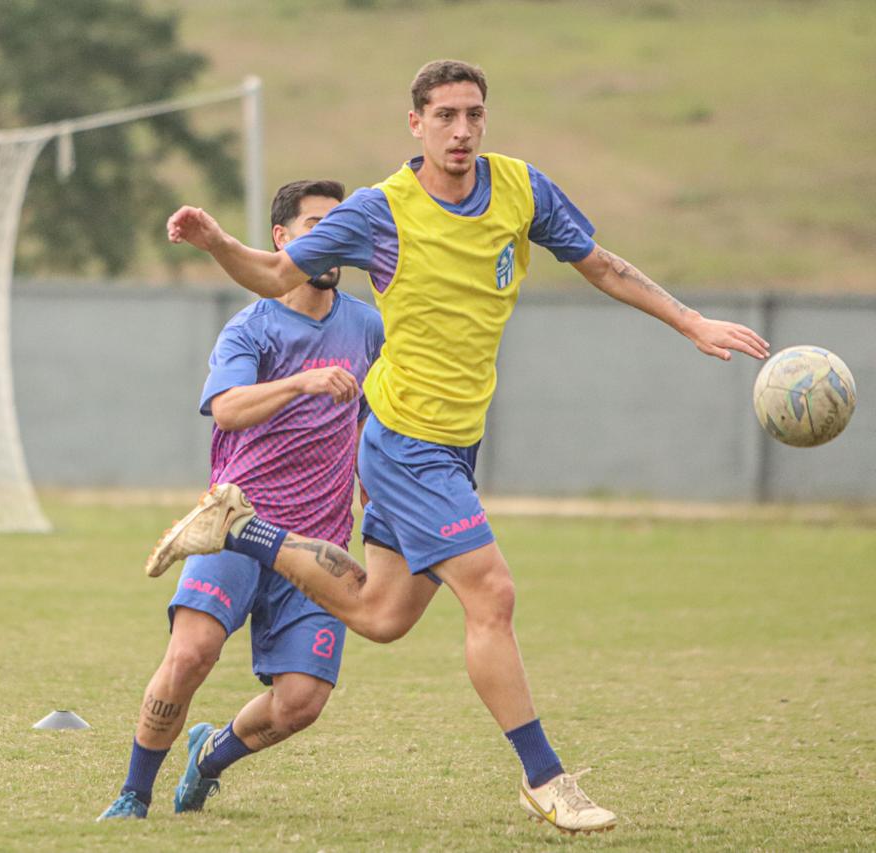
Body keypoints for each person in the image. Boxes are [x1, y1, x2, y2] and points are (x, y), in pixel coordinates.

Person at [148, 60, 771, 834]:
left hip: (452, 444)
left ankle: (238, 557)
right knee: (493, 594)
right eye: (444, 115)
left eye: (474, 114)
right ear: (416, 124)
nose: (462, 130)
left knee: (381, 615)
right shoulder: (380, 210)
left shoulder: (521, 188)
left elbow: (602, 265)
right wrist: (215, 241)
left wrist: (692, 321)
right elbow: (276, 272)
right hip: (406, 441)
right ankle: (545, 778)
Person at [98, 180, 385, 821]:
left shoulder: (369, 327)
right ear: (282, 239)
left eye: (340, 227)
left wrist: (378, 498)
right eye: (316, 226)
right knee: (191, 654)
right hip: (236, 524)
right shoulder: (251, 328)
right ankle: (133, 795)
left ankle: (209, 757)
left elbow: (372, 421)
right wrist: (302, 382)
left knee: (301, 703)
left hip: (317, 544)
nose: (333, 239)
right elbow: (226, 407)